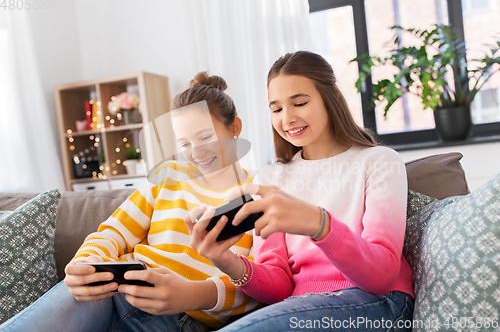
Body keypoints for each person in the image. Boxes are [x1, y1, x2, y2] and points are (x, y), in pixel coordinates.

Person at [0, 72, 260, 332]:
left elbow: (259, 284)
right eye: (184, 143)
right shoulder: (168, 176)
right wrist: (84, 262)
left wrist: (193, 294)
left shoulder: (256, 194)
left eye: (205, 138)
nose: (196, 152)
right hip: (115, 290)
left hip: (181, 316)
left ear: (235, 127)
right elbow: (114, 231)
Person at [186, 51, 414, 331]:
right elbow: (280, 287)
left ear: (330, 99)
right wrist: (227, 261)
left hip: (379, 303)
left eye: (300, 103)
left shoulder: (379, 161)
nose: (288, 118)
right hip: (302, 306)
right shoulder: (273, 177)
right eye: (277, 109)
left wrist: (318, 223)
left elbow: (381, 276)